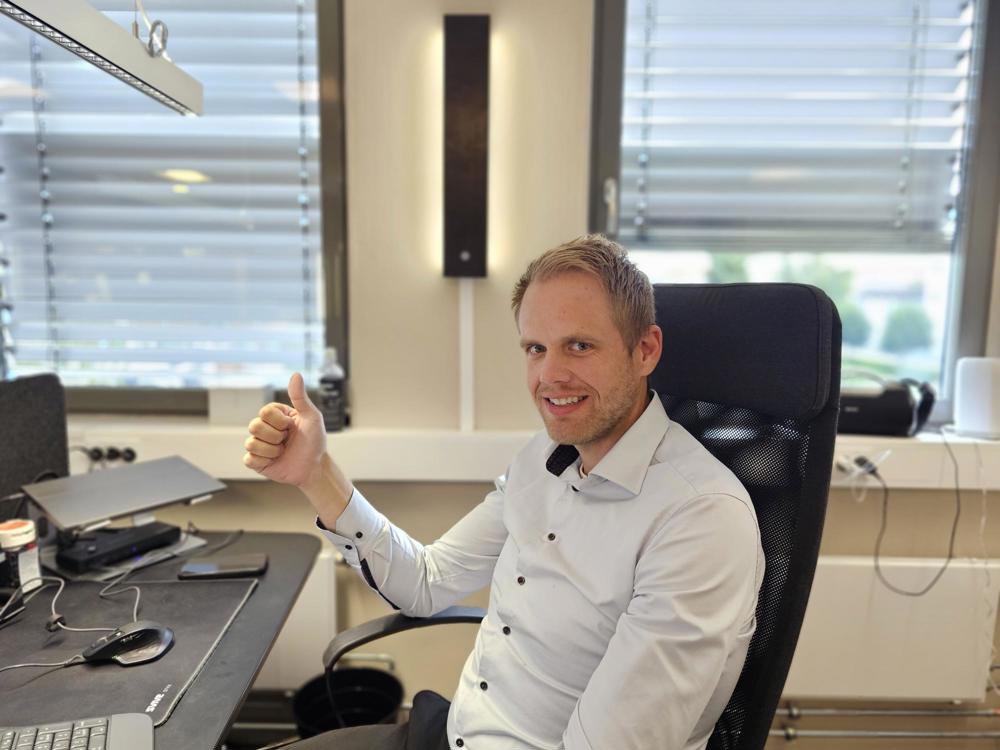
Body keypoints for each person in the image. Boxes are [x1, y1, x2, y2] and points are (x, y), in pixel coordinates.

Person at [243, 235, 764, 750]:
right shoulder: (545, 456)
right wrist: (316, 473)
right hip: (452, 731)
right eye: (536, 349)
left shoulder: (701, 520)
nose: (549, 376)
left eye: (579, 346)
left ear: (645, 349)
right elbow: (426, 581)